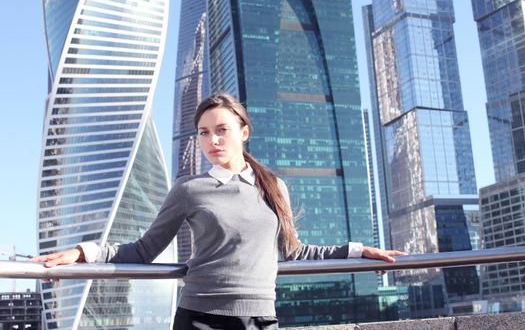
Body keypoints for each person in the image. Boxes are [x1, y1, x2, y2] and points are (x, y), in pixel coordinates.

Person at [31, 93, 405, 329]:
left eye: (221, 130)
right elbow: (144, 250)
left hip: (260, 318)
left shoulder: (273, 187)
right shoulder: (190, 189)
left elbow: (295, 252)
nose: (212, 140)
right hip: (199, 319)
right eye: (204, 132)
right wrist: (84, 252)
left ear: (244, 131)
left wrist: (357, 250)